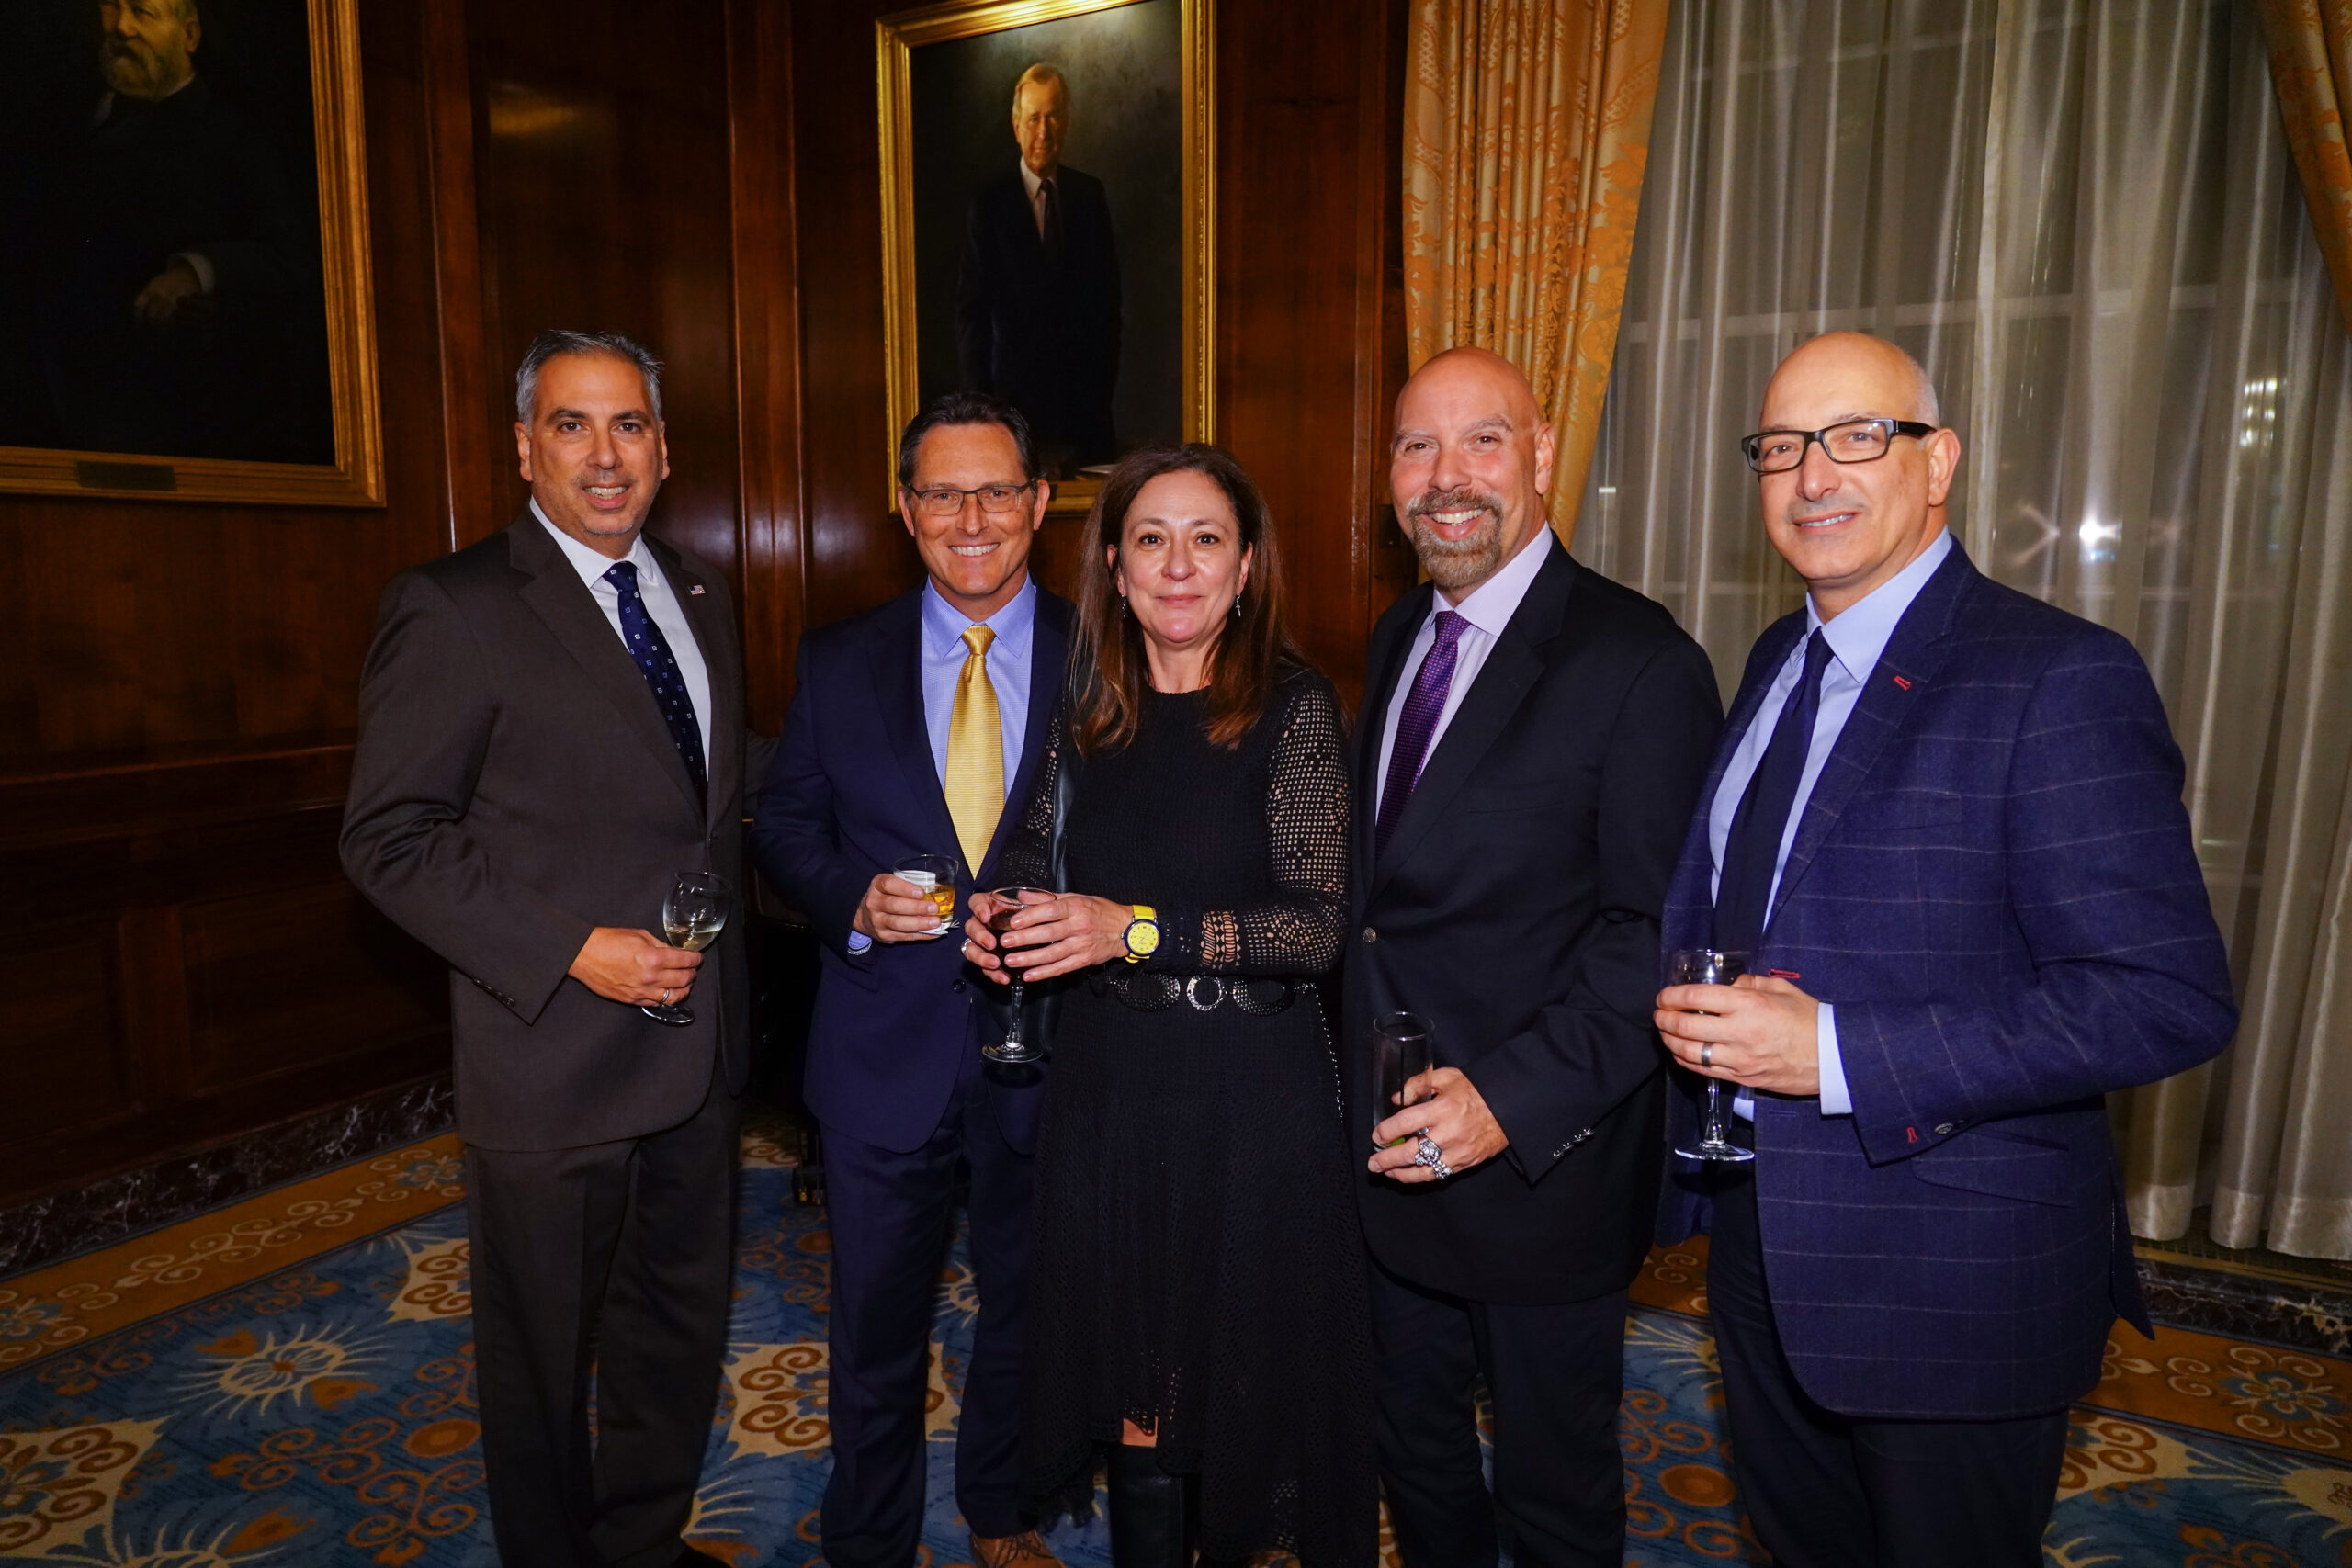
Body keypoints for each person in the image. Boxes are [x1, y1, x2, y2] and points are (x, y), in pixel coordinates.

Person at [1653, 331, 2238, 1567]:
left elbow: (2164, 996)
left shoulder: (2058, 675)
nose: (1813, 474)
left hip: (1953, 1272)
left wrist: (1837, 1053)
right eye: (1781, 447)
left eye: (1857, 436)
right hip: (1765, 1232)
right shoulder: (1776, 658)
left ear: (1939, 462)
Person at [342, 331, 755, 1568]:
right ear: (526, 448)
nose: (605, 453)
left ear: (665, 447)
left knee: (674, 1331)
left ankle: (642, 1544)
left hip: (697, 1052)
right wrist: (575, 947)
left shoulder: (700, 592)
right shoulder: (454, 605)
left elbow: (701, 800)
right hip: (551, 1059)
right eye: (572, 424)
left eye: (630, 424)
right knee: (540, 1364)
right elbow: (388, 837)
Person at [965, 443, 1375, 1568]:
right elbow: (1038, 857)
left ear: (1245, 569)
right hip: (1114, 1096)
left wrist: (1136, 929)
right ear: (1114, 564)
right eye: (1152, 539)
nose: (1178, 565)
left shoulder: (1292, 707)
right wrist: (1002, 912)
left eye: (1206, 540)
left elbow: (1316, 926)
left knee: (1232, 1389)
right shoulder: (1087, 709)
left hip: (1252, 1102)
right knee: (1136, 1397)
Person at [1350, 347, 1722, 1568]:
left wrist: (1504, 1101)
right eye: (1416, 446)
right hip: (1386, 1152)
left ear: (1545, 454)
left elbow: (1653, 931)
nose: (1444, 476)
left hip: (1538, 1169)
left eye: (1482, 440)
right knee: (1414, 1447)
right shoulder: (1397, 634)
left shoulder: (1640, 661)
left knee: (1553, 1490)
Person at [752, 391, 1071, 1568]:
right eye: (942, 493)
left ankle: (1001, 1509)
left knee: (1033, 1313)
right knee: (873, 1329)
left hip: (1059, 1050)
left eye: (996, 491)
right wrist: (850, 899)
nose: (970, 518)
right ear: (904, 509)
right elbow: (786, 825)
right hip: (881, 1054)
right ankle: (870, 1538)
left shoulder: (1112, 654)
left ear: (1040, 503)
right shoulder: (839, 660)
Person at [15, 0, 322, 460]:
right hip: (52, 410)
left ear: (190, 36)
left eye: (143, 12)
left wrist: (197, 271)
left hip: (176, 421)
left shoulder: (235, 138)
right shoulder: (61, 124)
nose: (121, 27)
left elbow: (295, 257)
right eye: (111, 7)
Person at [956, 62, 1120, 474]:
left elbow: (1108, 307)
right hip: (1012, 414)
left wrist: (1100, 392)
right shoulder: (989, 205)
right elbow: (972, 317)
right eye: (1033, 119)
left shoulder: (1088, 196)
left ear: (1067, 122)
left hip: (1086, 417)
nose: (1043, 131)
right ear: (1016, 127)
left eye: (1053, 116)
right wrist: (985, 417)